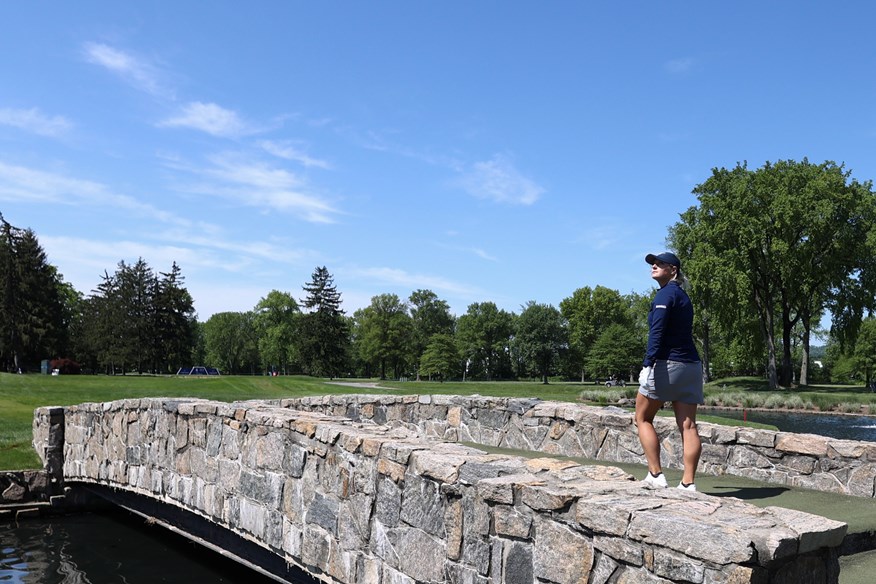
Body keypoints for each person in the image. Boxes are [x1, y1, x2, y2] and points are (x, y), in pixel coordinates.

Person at [636, 251, 704, 492]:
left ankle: (656, 474)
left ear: (673, 270)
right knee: (688, 425)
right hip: (692, 366)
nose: (654, 266)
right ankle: (688, 483)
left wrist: (647, 363)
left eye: (660, 263)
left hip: (669, 364)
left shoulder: (665, 295)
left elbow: (657, 331)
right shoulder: (683, 296)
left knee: (642, 417)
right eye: (653, 263)